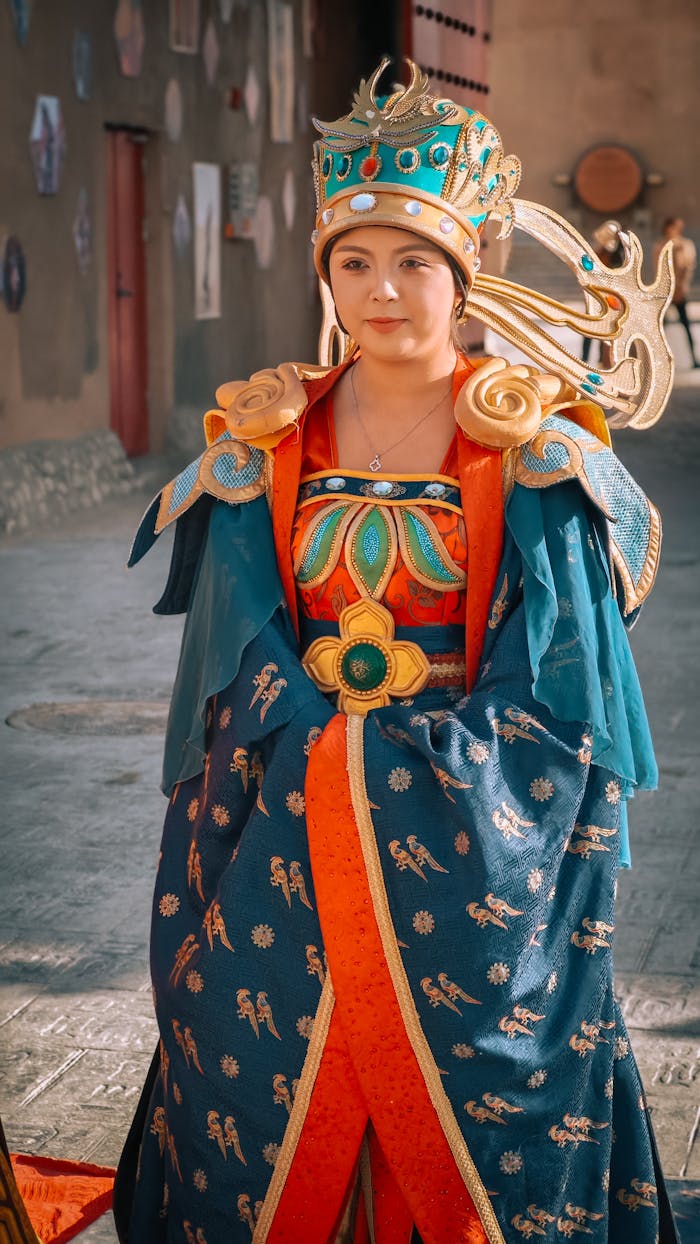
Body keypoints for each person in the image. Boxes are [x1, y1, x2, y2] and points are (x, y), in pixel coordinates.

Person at [115, 60, 679, 1243]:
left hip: (480, 838)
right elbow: (238, 647)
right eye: (355, 262)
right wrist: (320, 756)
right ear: (326, 275)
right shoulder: (262, 443)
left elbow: (555, 682)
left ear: (463, 276)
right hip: (285, 809)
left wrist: (408, 768)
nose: (383, 291)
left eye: (415, 261)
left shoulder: (537, 460)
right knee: (269, 1064)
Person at [580, 220, 627, 369]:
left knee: (604, 333)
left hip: (609, 299)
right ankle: (586, 360)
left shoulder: (617, 255)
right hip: (597, 296)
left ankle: (602, 361)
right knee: (590, 331)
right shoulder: (600, 253)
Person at [654, 215, 699, 368]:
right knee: (660, 328)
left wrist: (681, 287)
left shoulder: (685, 244)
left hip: (679, 291)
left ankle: (694, 357)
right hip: (666, 292)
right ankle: (658, 360)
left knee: (686, 326)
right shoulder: (661, 245)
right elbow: (658, 268)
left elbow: (688, 266)